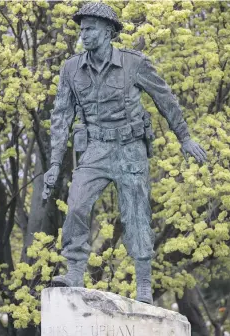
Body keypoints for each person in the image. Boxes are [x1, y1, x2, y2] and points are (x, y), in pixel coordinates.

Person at [43, 2, 207, 304]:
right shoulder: (71, 69)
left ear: (107, 32)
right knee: (77, 205)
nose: (84, 34)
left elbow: (165, 99)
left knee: (136, 214)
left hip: (130, 148)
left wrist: (185, 138)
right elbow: (61, 116)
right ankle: (75, 272)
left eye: (90, 28)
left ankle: (143, 283)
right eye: (82, 28)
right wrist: (54, 163)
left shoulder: (134, 64)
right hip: (95, 149)